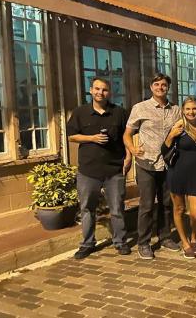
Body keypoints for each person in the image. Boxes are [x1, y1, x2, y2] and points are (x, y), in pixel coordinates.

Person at [67, 78, 132, 259]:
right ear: (90, 90)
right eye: (97, 89)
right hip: (88, 170)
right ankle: (87, 244)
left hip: (114, 169)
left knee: (117, 208)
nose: (100, 93)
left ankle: (120, 242)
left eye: (104, 90)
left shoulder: (119, 112)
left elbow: (127, 137)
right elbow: (72, 136)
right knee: (87, 208)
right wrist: (91, 138)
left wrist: (129, 156)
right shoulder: (81, 112)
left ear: (109, 92)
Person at [123, 73, 182, 260]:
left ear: (168, 87)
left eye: (164, 85)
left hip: (168, 164)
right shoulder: (140, 108)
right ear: (151, 87)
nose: (160, 87)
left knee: (166, 204)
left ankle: (165, 236)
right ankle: (144, 242)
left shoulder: (176, 110)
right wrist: (132, 148)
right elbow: (127, 134)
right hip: (146, 163)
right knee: (147, 205)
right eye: (156, 84)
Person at [162, 97, 196, 260]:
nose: (191, 112)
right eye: (188, 109)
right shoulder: (179, 127)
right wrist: (171, 135)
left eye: (194, 109)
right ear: (183, 110)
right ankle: (185, 243)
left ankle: (194, 237)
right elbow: (164, 149)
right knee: (179, 209)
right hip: (177, 174)